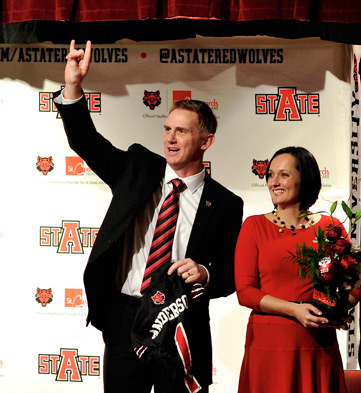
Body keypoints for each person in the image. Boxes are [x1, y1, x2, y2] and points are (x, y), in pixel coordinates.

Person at [54, 40, 243, 393]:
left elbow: (229, 275)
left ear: (206, 141)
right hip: (126, 317)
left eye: (182, 131)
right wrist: (74, 86)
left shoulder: (226, 204)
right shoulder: (138, 168)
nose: (170, 138)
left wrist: (205, 272)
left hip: (182, 321)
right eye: (167, 129)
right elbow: (86, 141)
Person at [235, 146, 354, 393]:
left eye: (284, 175)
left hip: (317, 346)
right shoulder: (254, 226)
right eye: (270, 175)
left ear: (306, 177)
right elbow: (245, 292)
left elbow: (353, 285)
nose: (274, 182)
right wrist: (294, 310)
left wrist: (336, 309)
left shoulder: (330, 228)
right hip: (268, 349)